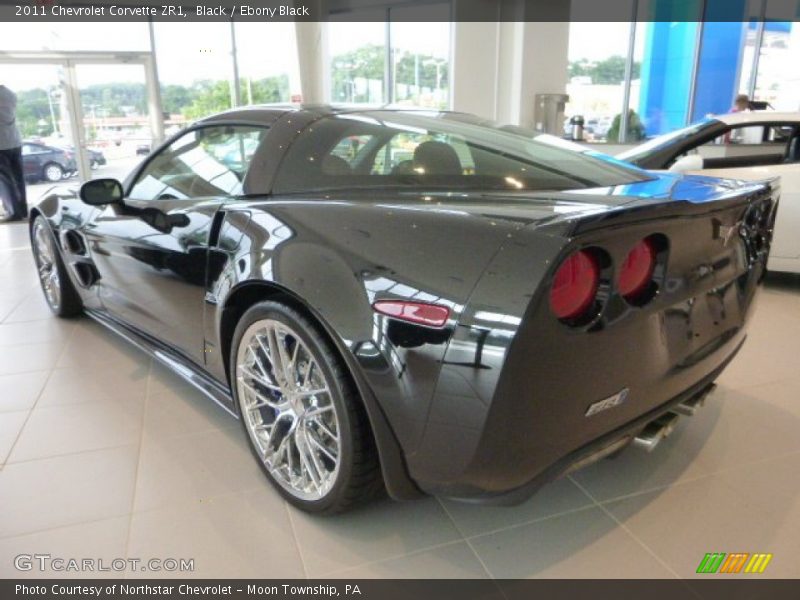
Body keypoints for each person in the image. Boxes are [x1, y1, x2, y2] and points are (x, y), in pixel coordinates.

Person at [0, 84, 27, 222]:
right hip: (15, 142)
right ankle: (22, 209)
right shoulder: (10, 93)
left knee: (5, 181)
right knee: (18, 178)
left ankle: (13, 212)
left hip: (1, 144)